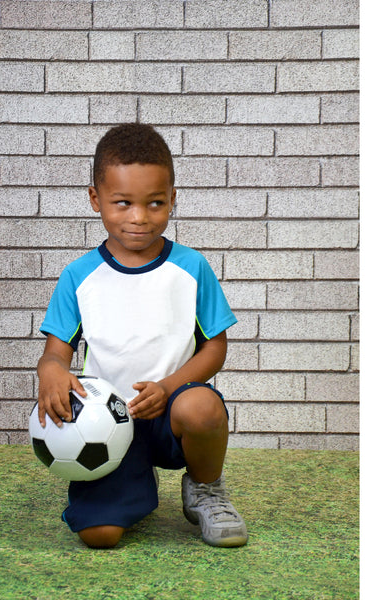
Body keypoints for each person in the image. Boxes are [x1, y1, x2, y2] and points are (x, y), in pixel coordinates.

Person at [36, 123, 248, 549]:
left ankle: (205, 488)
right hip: (107, 423)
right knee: (99, 536)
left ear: (172, 199)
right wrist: (51, 372)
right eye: (122, 203)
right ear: (96, 200)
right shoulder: (79, 276)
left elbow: (216, 347)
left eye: (154, 203)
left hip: (173, 412)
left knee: (203, 407)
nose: (139, 217)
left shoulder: (191, 269)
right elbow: (55, 353)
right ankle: (132, 481)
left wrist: (169, 388)